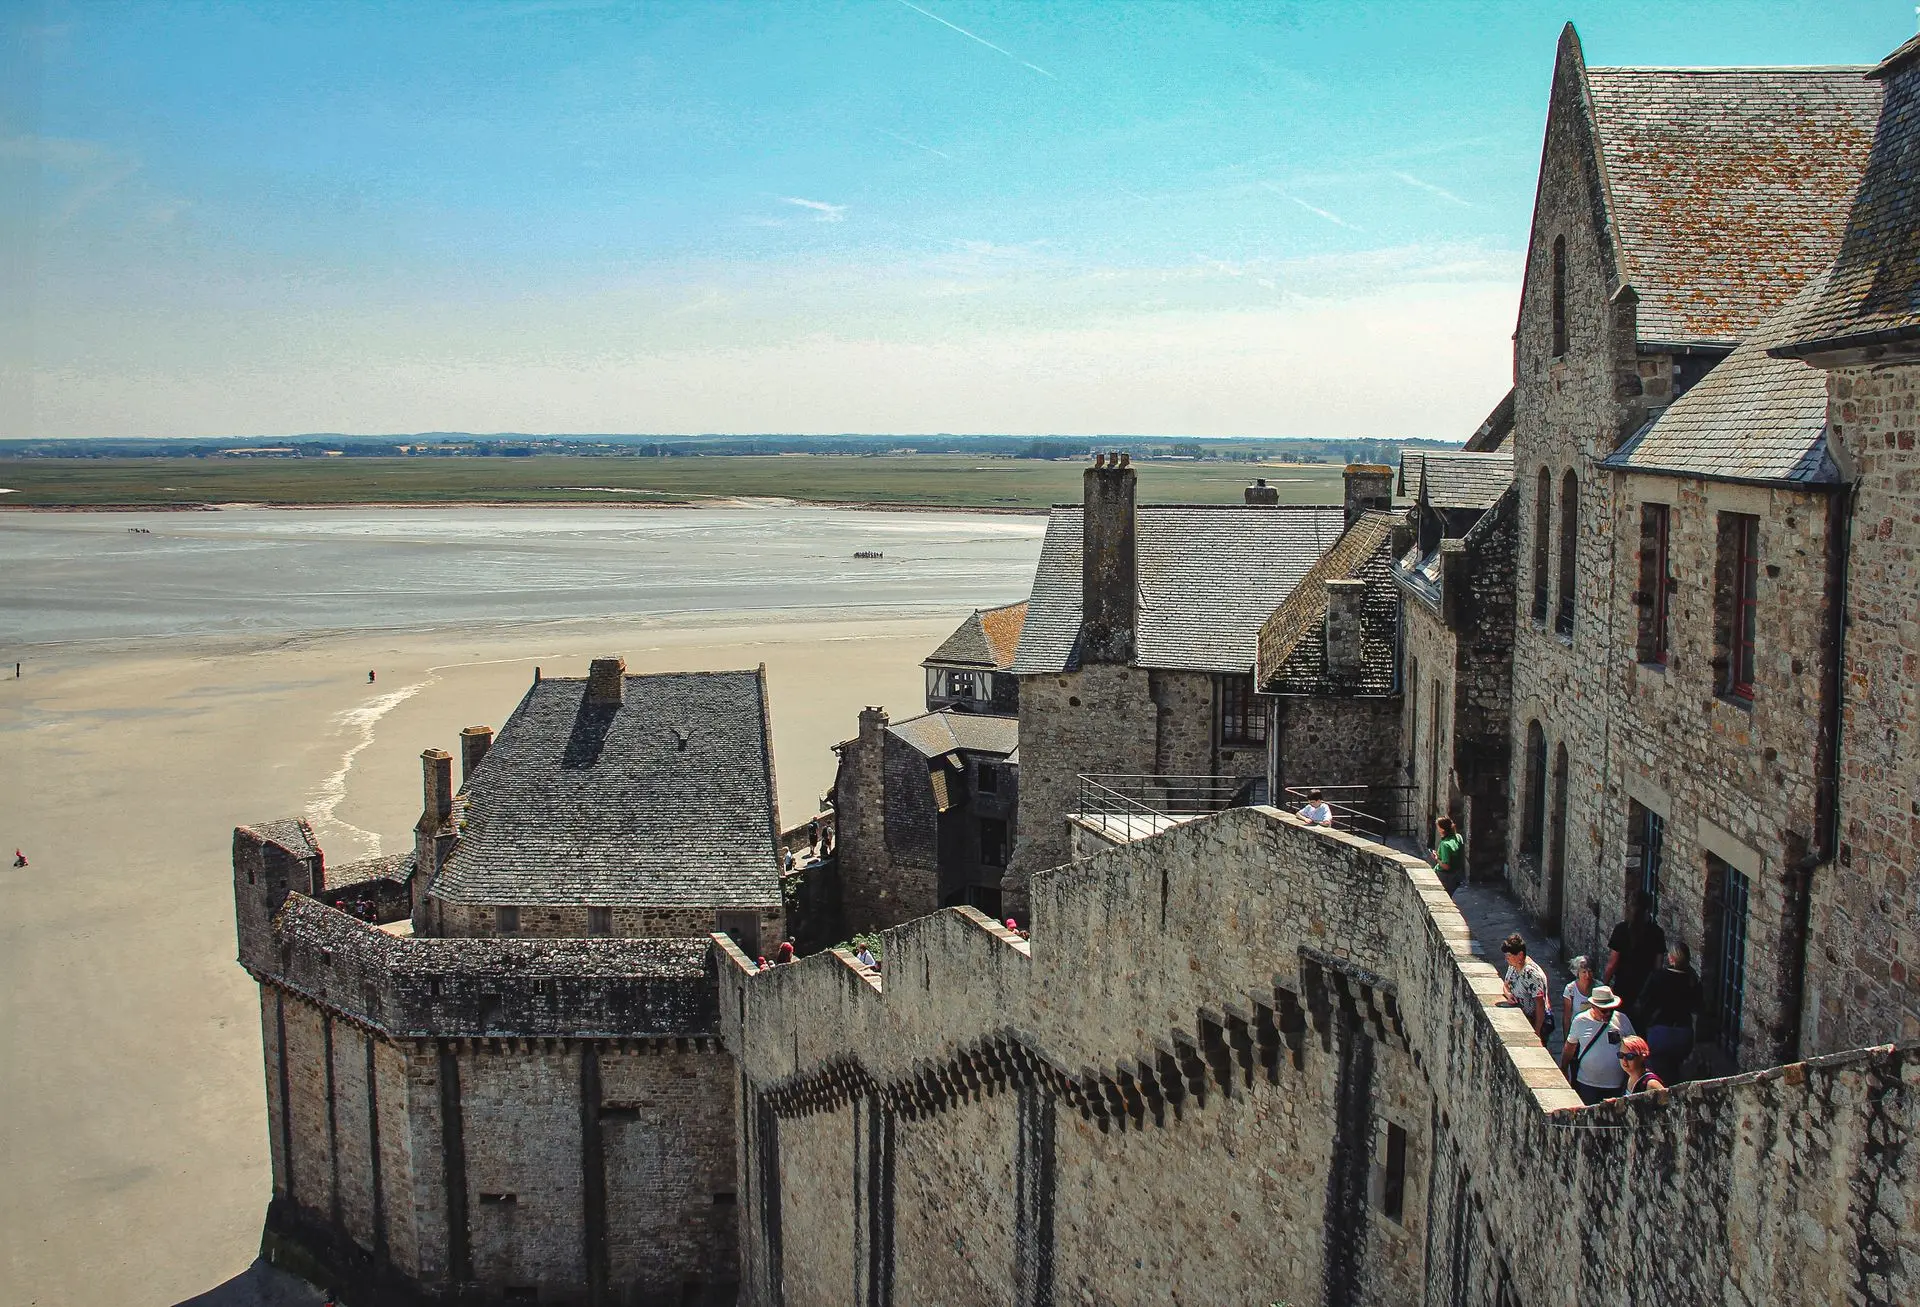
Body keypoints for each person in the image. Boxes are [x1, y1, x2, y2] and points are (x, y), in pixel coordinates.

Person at [1636, 941, 1701, 1085]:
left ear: (1671, 958)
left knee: (1656, 1075)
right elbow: (1697, 1006)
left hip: (1660, 1033)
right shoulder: (1692, 980)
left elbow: (1643, 1003)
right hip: (1683, 1034)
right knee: (1674, 1071)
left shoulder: (1657, 977)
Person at [1563, 985, 1636, 1105]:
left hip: (1615, 1084)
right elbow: (1569, 1047)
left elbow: (1634, 1045)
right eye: (1604, 1010)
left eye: (1611, 1009)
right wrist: (1564, 1069)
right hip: (1587, 1083)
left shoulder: (1622, 1019)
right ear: (1593, 1007)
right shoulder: (1580, 1021)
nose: (1608, 1013)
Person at [1606, 892, 1667, 1025]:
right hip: (1645, 990)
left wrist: (1604, 984)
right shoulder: (1657, 933)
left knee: (1620, 1026)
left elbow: (1613, 963)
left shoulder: (1621, 930)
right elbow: (1658, 967)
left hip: (1623, 986)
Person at [1500, 934, 1550, 1041]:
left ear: (1520, 955)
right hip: (1521, 1018)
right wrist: (1509, 995)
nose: (1506, 958)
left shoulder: (1531, 974)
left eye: (1509, 955)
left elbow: (1540, 1004)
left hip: (1534, 1021)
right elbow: (1506, 985)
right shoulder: (1513, 966)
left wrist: (1537, 1031)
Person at [1561, 955, 1597, 1043]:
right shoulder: (1571, 990)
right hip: (1577, 1032)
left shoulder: (1598, 988)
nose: (1587, 975)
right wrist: (1567, 1039)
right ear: (1577, 973)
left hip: (1594, 1032)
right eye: (1584, 972)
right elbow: (1567, 1017)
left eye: (1590, 971)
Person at [1430, 817, 1465, 889]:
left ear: (1442, 829)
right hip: (1456, 874)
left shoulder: (1445, 844)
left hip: (1445, 876)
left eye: (1438, 827)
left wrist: (1436, 858)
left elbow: (1446, 866)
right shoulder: (1458, 837)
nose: (1437, 829)